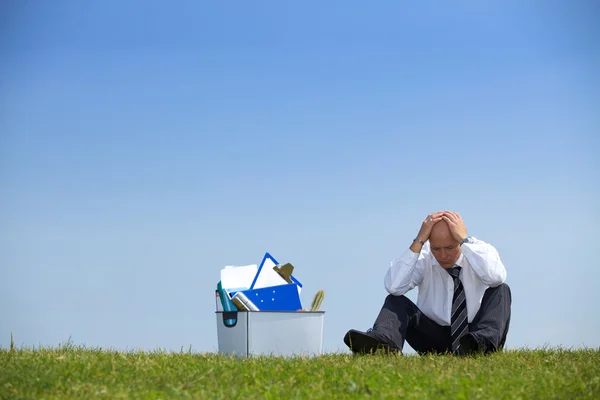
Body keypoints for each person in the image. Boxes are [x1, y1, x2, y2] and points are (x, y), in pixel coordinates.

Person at [343, 211, 512, 356]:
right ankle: (383, 345)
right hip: (433, 337)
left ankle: (480, 348)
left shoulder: (479, 250)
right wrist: (419, 240)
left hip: (473, 336)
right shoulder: (423, 256)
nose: (443, 255)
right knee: (395, 300)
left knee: (502, 290)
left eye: (450, 247)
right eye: (436, 249)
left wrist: (463, 239)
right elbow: (394, 286)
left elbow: (496, 277)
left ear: (460, 241)